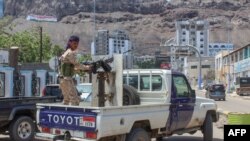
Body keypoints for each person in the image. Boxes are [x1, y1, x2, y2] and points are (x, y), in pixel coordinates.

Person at [59, 35, 91, 106]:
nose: (76, 45)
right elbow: (77, 64)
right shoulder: (70, 53)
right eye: (74, 44)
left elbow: (69, 66)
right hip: (67, 79)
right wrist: (87, 67)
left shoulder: (66, 52)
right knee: (75, 100)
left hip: (62, 79)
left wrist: (78, 69)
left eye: (77, 44)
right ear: (70, 43)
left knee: (66, 100)